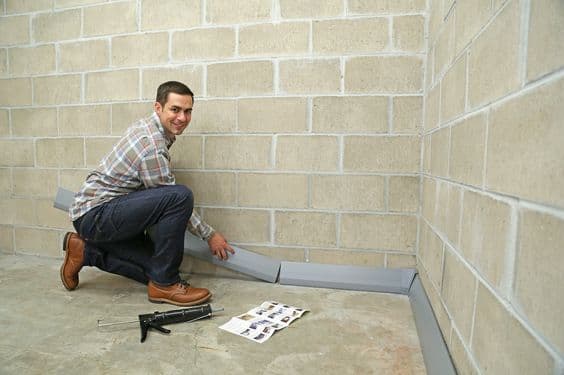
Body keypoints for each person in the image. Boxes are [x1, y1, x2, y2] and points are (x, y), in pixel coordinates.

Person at [61, 81, 234, 306]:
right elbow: (169, 197)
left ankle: (85, 251)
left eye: (188, 111)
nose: (182, 117)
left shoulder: (151, 130)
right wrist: (210, 235)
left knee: (156, 268)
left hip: (104, 213)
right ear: (158, 107)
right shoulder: (151, 145)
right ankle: (166, 285)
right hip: (96, 216)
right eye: (175, 109)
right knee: (180, 196)